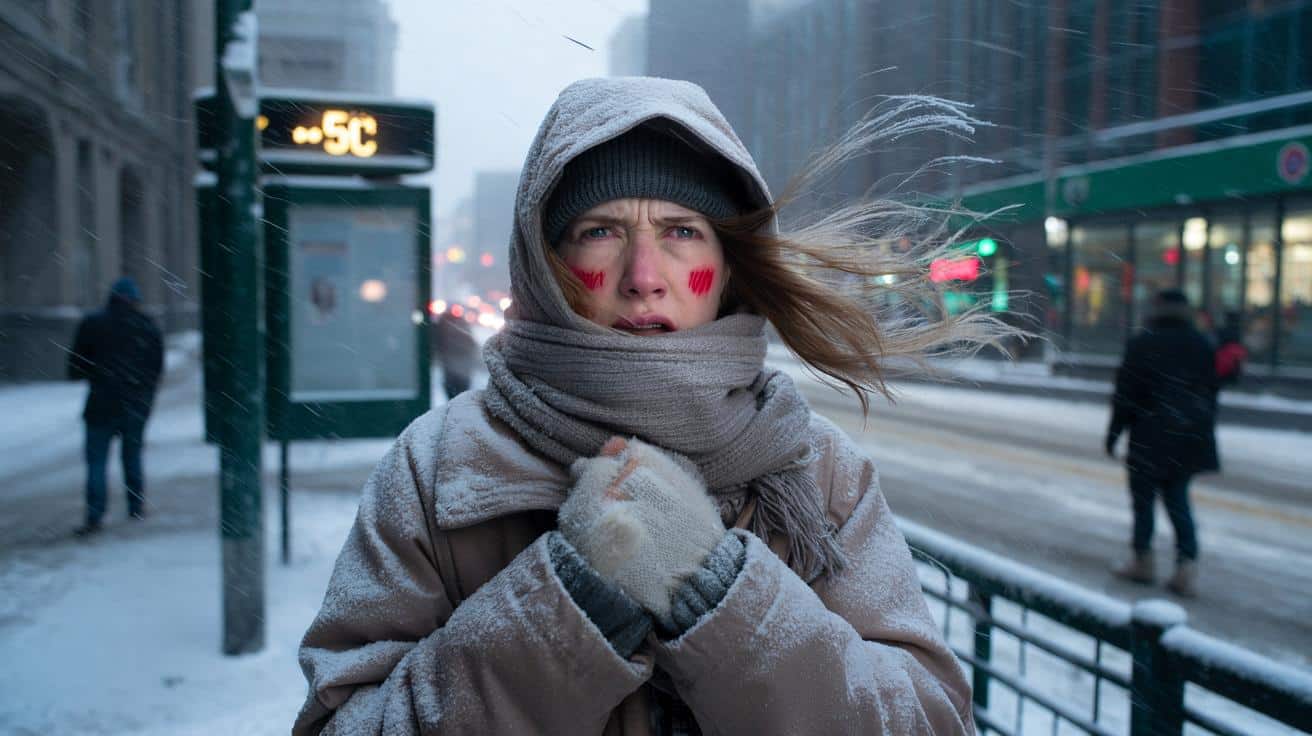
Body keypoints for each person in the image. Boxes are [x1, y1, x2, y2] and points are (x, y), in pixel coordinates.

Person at [294, 77, 1010, 735]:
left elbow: (931, 722)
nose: (643, 278)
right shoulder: (438, 469)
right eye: (600, 231)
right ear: (546, 266)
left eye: (681, 232)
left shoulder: (818, 471)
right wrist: (568, 603)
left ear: (730, 263)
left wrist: (717, 591)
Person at [1106, 288, 1219, 597]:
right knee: (1178, 501)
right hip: (1186, 438)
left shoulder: (1143, 343)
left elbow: (1125, 395)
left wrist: (1114, 434)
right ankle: (1186, 564)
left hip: (1149, 437)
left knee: (1143, 503)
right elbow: (1210, 394)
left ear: (1157, 309)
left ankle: (1143, 560)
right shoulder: (1201, 344)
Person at [67, 277, 164, 536]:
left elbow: (75, 368)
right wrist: (143, 392)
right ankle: (135, 507)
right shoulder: (147, 326)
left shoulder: (93, 324)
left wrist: (99, 373)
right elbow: (156, 368)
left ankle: (95, 515)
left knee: (96, 461)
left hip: (101, 402)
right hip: (135, 403)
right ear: (136, 300)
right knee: (132, 455)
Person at [431, 304, 478, 399]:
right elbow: (472, 344)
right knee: (461, 396)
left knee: (453, 395)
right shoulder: (462, 324)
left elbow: (438, 344)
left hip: (451, 368)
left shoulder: (442, 326)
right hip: (462, 369)